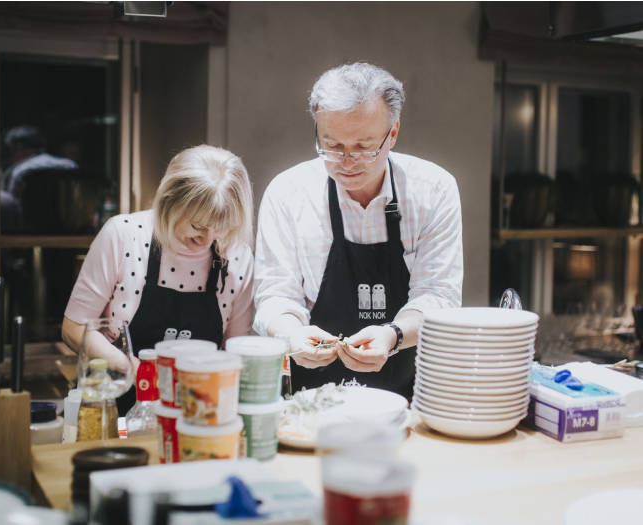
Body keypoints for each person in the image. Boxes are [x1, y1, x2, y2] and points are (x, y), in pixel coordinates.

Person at [254, 63, 463, 400]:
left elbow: (439, 295)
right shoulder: (288, 193)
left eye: (364, 147)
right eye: (332, 146)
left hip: (409, 397)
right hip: (310, 400)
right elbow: (275, 294)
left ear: (392, 134)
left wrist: (393, 335)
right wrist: (292, 334)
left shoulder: (433, 190)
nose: (347, 161)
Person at [63, 145, 255, 413]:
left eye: (221, 228)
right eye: (198, 226)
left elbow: (236, 351)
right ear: (168, 202)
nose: (207, 239)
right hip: (114, 405)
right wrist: (138, 370)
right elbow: (74, 328)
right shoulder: (123, 235)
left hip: (196, 414)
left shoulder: (236, 256)